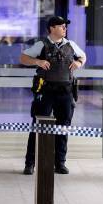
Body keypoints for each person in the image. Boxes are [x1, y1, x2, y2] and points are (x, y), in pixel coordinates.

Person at [22, 16, 86, 175]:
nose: (65, 29)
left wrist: (78, 63)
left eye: (65, 26)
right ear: (52, 28)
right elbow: (23, 58)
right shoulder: (41, 44)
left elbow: (83, 57)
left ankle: (60, 163)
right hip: (46, 91)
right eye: (61, 26)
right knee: (37, 126)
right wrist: (37, 62)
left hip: (65, 91)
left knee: (63, 128)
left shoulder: (71, 44)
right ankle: (30, 163)